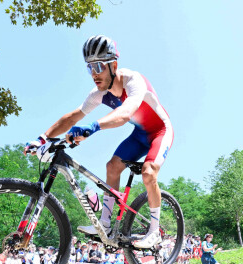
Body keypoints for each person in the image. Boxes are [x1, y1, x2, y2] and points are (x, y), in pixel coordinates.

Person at [24, 35, 173, 249]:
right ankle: (105, 224)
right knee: (112, 167)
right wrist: (42, 138)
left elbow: (124, 114)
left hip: (160, 131)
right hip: (140, 135)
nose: (94, 73)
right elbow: (73, 117)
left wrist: (92, 127)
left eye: (98, 66)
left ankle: (154, 232)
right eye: (89, 68)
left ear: (113, 65)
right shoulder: (99, 93)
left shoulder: (134, 81)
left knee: (149, 172)